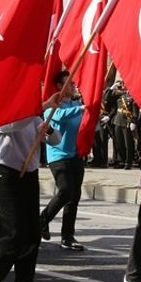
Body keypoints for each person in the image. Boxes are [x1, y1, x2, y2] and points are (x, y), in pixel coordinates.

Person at [0, 96, 63, 282]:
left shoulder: (32, 116)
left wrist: (48, 130)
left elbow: (55, 139)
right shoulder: (3, 112)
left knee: (32, 233)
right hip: (7, 175)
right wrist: (43, 105)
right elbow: (14, 124)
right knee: (13, 230)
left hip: (30, 175)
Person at [39, 70, 87, 250]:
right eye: (70, 83)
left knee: (74, 197)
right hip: (58, 156)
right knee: (66, 190)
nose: (74, 86)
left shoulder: (75, 105)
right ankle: (42, 219)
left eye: (74, 83)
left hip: (76, 155)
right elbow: (59, 117)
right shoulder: (54, 106)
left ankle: (68, 236)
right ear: (60, 86)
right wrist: (82, 108)